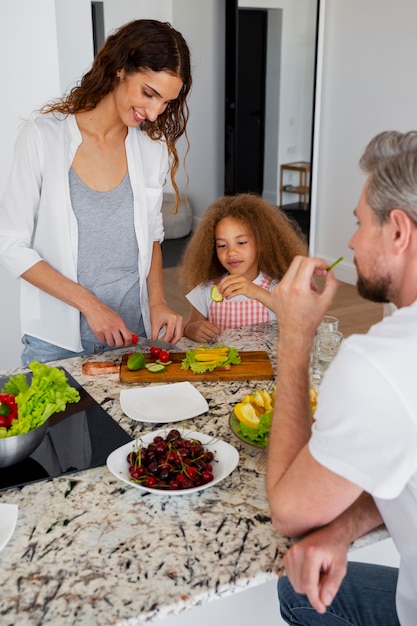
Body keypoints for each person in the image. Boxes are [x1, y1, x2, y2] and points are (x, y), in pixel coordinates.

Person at [267, 130, 417, 625]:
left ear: (398, 231)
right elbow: (399, 455)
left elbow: (290, 511)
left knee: (296, 593)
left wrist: (295, 335)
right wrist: (344, 527)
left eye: (359, 224)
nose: (351, 241)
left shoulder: (380, 361)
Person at [0, 19, 192, 366]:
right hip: (56, 341)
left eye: (165, 103)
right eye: (149, 93)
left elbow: (151, 236)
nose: (153, 113)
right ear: (120, 69)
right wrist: (91, 306)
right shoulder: (43, 138)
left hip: (132, 334)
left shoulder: (152, 147)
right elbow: (10, 245)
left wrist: (159, 302)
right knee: (55, 424)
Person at [179, 193, 308, 342]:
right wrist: (192, 329)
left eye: (241, 242)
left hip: (263, 364)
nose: (231, 252)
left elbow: (299, 322)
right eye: (222, 245)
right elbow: (189, 327)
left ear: (261, 244)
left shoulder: (274, 289)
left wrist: (255, 291)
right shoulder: (206, 290)